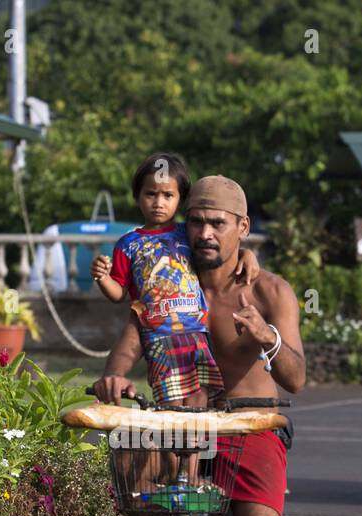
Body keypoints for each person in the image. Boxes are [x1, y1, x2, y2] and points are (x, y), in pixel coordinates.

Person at [93, 174, 306, 516]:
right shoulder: (168, 278)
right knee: (129, 462)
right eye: (196, 221)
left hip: (249, 422)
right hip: (184, 418)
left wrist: (269, 339)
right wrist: (115, 377)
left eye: (218, 223)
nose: (205, 232)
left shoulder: (270, 291)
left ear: (242, 229)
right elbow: (133, 339)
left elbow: (298, 378)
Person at [90, 152, 258, 408]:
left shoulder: (187, 233)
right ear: (137, 196)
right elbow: (118, 294)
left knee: (197, 410)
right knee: (171, 411)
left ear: (180, 201)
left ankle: (191, 451)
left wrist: (247, 254)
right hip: (158, 336)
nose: (159, 202)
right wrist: (102, 277)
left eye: (168, 195)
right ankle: (172, 450)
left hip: (197, 336)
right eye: (151, 194)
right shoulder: (128, 245)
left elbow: (218, 251)